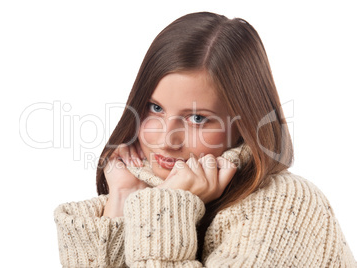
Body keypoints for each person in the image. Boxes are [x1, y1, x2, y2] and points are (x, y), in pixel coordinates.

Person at [53, 12, 357, 267]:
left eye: (197, 118)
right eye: (155, 108)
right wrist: (122, 198)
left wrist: (166, 206)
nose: (166, 139)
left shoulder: (287, 205)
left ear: (243, 125)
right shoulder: (149, 188)